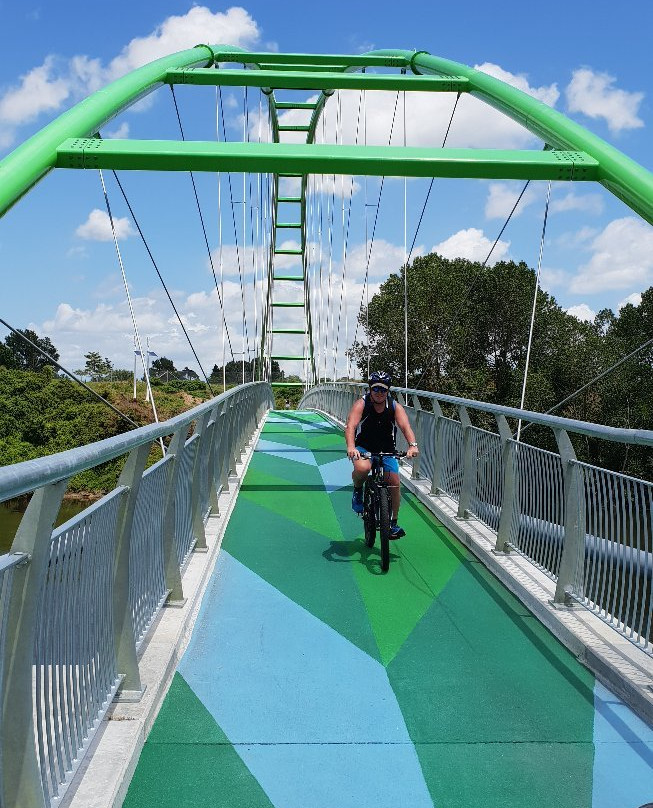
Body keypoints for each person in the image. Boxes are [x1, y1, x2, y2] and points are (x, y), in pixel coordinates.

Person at [345, 371, 419, 539]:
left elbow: (405, 427)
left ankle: (393, 523)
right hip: (364, 447)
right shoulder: (362, 404)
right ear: (370, 389)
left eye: (383, 390)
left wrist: (412, 446)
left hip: (387, 449)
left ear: (388, 391)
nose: (379, 393)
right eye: (376, 389)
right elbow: (351, 426)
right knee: (362, 468)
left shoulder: (394, 406)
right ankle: (358, 490)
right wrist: (351, 446)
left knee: (394, 482)